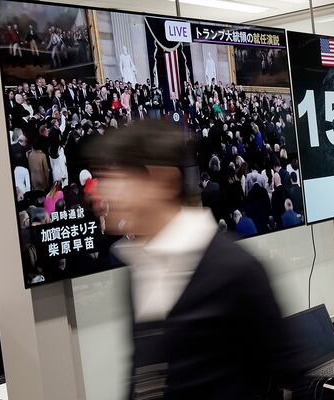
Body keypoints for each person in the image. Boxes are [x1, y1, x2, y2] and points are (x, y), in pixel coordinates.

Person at [82, 120, 307, 399]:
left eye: (116, 178)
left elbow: (293, 376)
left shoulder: (235, 270)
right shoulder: (138, 269)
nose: (102, 192)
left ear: (162, 181)